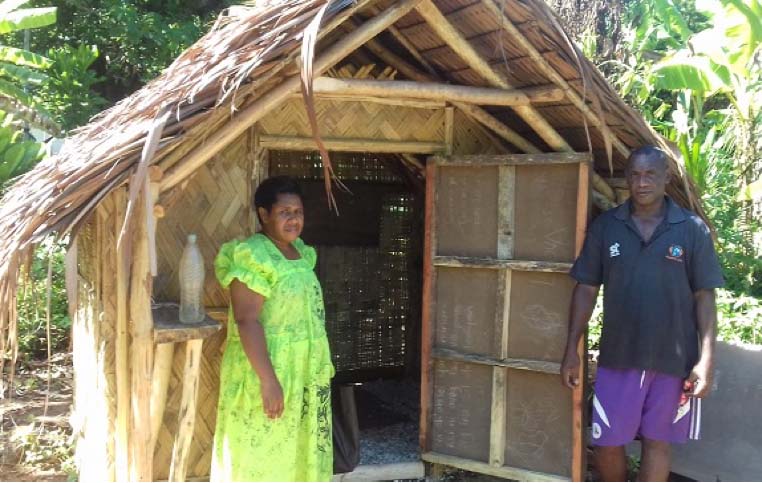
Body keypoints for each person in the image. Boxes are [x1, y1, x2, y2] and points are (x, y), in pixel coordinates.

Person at [560, 146, 724, 481]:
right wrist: (572, 349)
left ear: (666, 177)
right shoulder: (607, 227)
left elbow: (704, 297)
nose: (642, 182)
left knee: (658, 442)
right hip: (619, 356)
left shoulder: (691, 230)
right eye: (635, 174)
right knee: (606, 442)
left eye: (650, 174)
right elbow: (586, 289)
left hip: (674, 360)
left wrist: (706, 360)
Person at [211, 176, 334, 482]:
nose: (294, 218)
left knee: (295, 448)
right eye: (285, 212)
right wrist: (268, 381)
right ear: (264, 214)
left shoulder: (301, 253)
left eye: (299, 212)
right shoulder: (253, 256)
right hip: (267, 371)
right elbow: (246, 320)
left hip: (302, 371)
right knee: (262, 451)